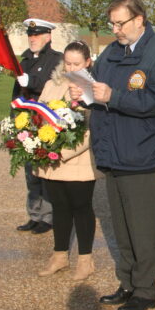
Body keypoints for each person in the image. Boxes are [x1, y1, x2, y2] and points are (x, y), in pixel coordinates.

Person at [69, 0, 155, 310]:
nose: (116, 30)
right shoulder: (112, 53)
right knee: (120, 224)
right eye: (113, 24)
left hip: (144, 153)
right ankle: (128, 282)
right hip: (114, 152)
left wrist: (112, 95)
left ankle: (146, 290)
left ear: (139, 20)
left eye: (120, 23)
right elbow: (99, 90)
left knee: (142, 226)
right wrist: (85, 95)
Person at [35, 40, 101, 281]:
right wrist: (39, 147)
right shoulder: (51, 84)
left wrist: (61, 152)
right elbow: (39, 117)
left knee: (81, 208)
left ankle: (86, 260)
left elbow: (91, 129)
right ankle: (59, 256)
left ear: (87, 63)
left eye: (76, 63)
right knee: (59, 208)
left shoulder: (92, 89)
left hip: (78, 161)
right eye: (68, 63)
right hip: (51, 160)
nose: (71, 68)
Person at [15, 18, 63, 235]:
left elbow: (47, 84)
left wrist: (29, 81)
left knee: (45, 172)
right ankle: (34, 214)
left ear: (48, 36)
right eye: (30, 35)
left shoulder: (56, 60)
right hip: (26, 123)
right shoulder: (23, 60)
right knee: (30, 174)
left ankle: (49, 216)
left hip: (45, 122)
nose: (32, 39)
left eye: (37, 35)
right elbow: (17, 94)